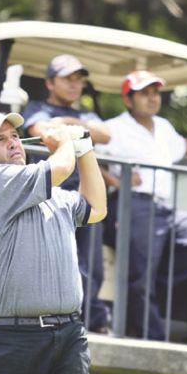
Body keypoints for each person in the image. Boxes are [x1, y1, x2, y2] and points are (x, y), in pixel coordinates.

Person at [0, 111, 107, 374]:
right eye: (0, 140)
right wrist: (65, 142)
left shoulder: (48, 192)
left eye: (15, 136)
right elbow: (62, 168)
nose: (14, 143)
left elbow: (97, 208)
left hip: (68, 333)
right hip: (14, 337)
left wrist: (85, 147)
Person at [95, 70, 187, 341]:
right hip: (134, 205)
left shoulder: (163, 127)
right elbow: (88, 154)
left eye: (155, 93)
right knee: (141, 278)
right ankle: (150, 338)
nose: (153, 98)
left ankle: (152, 285)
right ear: (128, 100)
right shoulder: (115, 128)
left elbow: (183, 146)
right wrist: (118, 181)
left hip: (164, 208)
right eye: (145, 93)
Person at [22, 54, 112, 334]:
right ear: (49, 83)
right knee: (57, 257)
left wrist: (67, 120)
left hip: (85, 195)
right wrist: (76, 129)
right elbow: (40, 129)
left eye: (79, 80)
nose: (75, 85)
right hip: (52, 196)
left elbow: (105, 134)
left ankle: (87, 318)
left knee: (90, 263)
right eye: (67, 79)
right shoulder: (36, 107)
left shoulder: (85, 114)